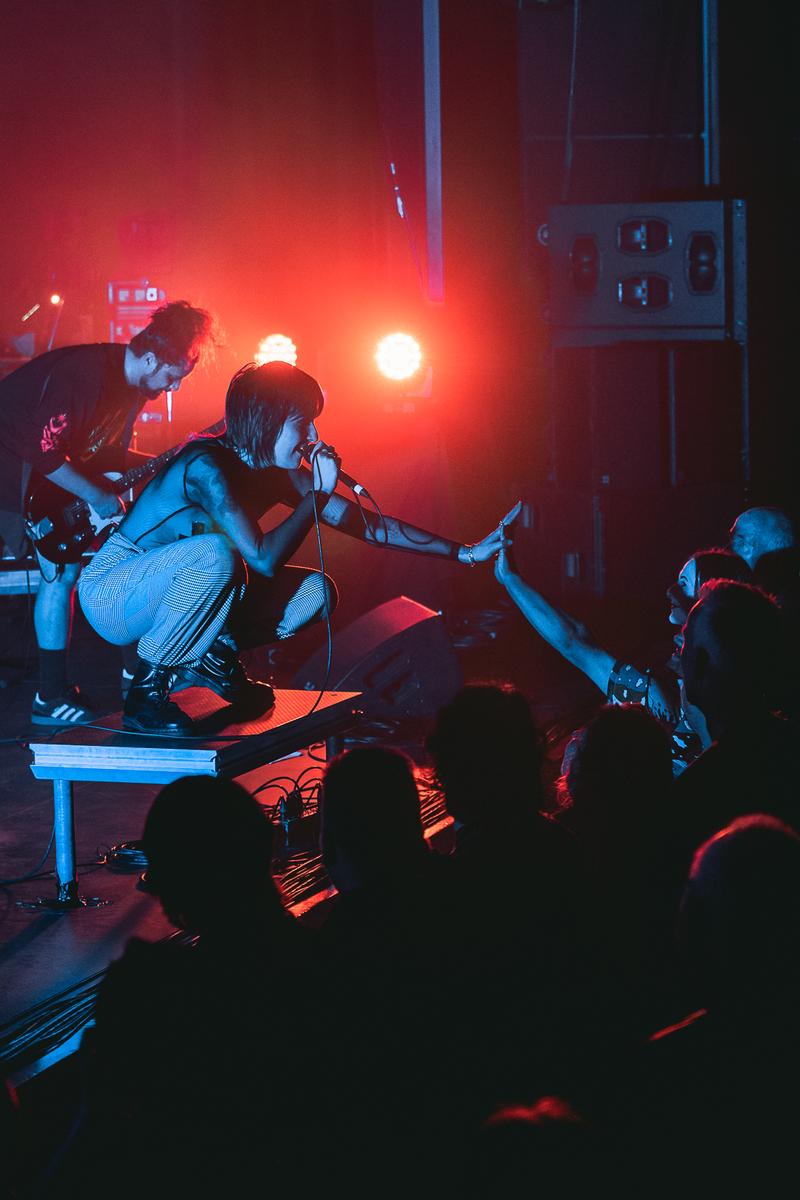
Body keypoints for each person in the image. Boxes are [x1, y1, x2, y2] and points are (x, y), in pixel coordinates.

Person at [78, 360, 519, 734]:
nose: (312, 434)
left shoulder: (274, 470)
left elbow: (365, 524)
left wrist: (465, 552)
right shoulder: (206, 466)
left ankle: (215, 657)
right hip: (115, 593)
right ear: (268, 419)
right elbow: (264, 557)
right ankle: (146, 690)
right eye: (301, 422)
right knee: (217, 554)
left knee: (316, 593)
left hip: (174, 595)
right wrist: (316, 497)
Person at [0, 300, 214, 725]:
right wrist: (98, 496)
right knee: (58, 574)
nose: (173, 389)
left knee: (132, 550)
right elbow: (44, 451)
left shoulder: (132, 387)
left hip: (50, 472)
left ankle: (137, 674)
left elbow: (110, 454)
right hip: (15, 474)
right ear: (151, 359)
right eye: (172, 377)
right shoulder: (84, 376)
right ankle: (48, 697)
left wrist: (171, 460)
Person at [494, 543, 751, 775]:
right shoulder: (732, 692)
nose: (671, 595)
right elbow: (577, 638)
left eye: (684, 585)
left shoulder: (666, 700)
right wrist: (511, 580)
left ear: (709, 605)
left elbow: (574, 642)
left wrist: (510, 580)